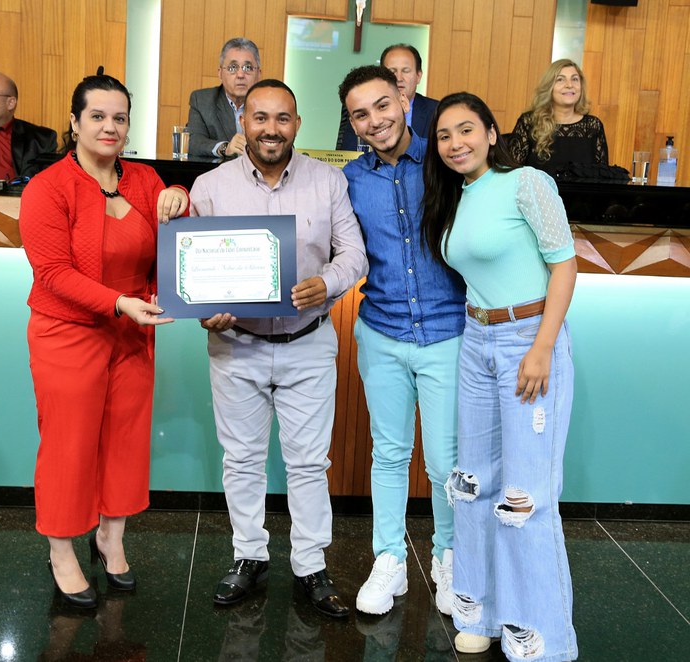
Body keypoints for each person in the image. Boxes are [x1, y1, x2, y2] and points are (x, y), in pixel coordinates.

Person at [189, 79, 367, 617]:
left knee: (309, 463)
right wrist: (206, 309)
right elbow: (191, 266)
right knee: (242, 459)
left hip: (307, 342)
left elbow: (353, 253)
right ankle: (249, 555)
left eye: (283, 118)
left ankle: (310, 563)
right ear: (243, 122)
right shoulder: (210, 187)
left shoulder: (328, 181)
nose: (271, 129)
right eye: (261, 117)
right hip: (235, 344)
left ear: (297, 124)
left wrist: (328, 282)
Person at [20, 70, 189, 609]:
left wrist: (179, 195)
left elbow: (177, 229)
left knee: (125, 438)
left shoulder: (143, 179)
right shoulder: (48, 187)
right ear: (74, 123)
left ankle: (110, 538)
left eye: (119, 117)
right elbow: (52, 273)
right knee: (68, 445)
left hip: (132, 332)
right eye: (97, 116)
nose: (109, 127)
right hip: (68, 332)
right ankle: (61, 551)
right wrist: (118, 302)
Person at [422, 91, 578, 661]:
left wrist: (541, 347)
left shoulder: (527, 183)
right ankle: (480, 613)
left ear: (492, 133)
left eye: (467, 129)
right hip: (476, 340)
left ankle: (542, 637)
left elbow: (565, 264)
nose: (455, 143)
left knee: (524, 496)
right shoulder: (452, 197)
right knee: (473, 484)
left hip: (527, 338)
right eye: (444, 135)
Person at [339, 65, 465, 616]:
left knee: (445, 461)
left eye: (382, 105)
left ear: (404, 100)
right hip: (382, 332)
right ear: (351, 123)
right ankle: (389, 559)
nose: (375, 120)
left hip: (447, 332)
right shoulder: (349, 179)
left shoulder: (446, 163)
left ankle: (448, 557)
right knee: (389, 453)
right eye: (360, 114)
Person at [510, 59, 608, 176]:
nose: (569, 85)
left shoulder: (593, 126)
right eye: (560, 79)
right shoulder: (530, 122)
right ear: (549, 86)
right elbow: (512, 173)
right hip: (537, 189)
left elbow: (603, 178)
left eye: (574, 79)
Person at [336, 44, 438, 151]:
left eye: (406, 71)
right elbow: (349, 152)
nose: (399, 78)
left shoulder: (438, 111)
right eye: (392, 71)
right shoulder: (358, 109)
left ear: (418, 76)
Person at [186, 37, 262, 158]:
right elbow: (193, 141)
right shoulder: (202, 101)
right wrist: (225, 148)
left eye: (248, 68)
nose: (240, 75)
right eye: (232, 68)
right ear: (220, 73)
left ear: (258, 74)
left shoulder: (269, 104)